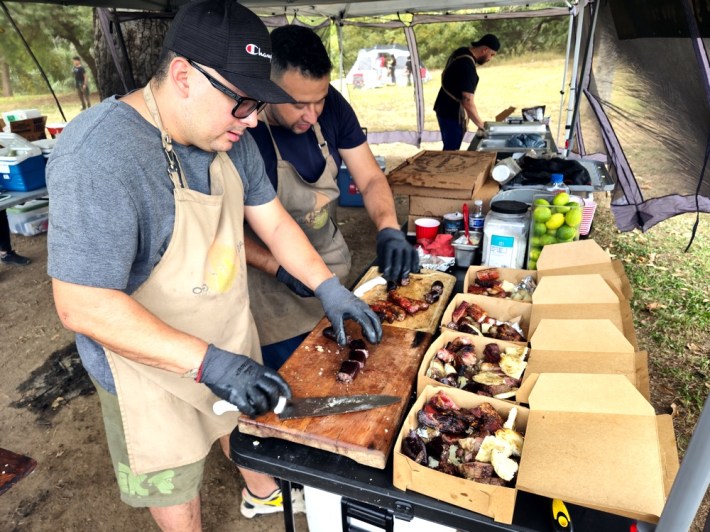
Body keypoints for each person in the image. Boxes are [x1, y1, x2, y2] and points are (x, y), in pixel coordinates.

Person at [45, 1, 382, 530]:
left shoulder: (231, 138)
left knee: (239, 430)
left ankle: (261, 494)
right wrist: (207, 364)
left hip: (225, 333)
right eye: (242, 103)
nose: (251, 120)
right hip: (147, 368)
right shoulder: (99, 156)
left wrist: (326, 286)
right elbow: (82, 304)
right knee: (178, 484)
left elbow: (272, 222)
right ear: (183, 75)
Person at [247, 24, 419, 370]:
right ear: (267, 88)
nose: (311, 116)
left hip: (331, 270)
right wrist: (280, 269)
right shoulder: (244, 131)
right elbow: (225, 228)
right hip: (273, 293)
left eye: (319, 100)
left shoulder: (333, 108)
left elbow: (370, 177)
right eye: (297, 104)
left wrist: (388, 228)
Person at [433, 34, 500, 150]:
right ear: (485, 50)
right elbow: (467, 101)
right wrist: (481, 125)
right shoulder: (467, 67)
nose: (490, 59)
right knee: (451, 151)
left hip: (442, 107)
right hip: (451, 113)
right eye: (491, 55)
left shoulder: (461, 51)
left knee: (449, 147)